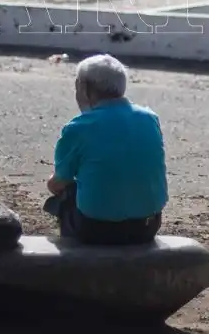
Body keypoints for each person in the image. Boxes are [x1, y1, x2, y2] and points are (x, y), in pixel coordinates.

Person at [43, 54, 167, 246]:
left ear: (83, 88)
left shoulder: (78, 127)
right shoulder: (150, 118)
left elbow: (58, 183)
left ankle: (75, 257)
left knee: (67, 192)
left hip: (97, 229)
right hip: (147, 225)